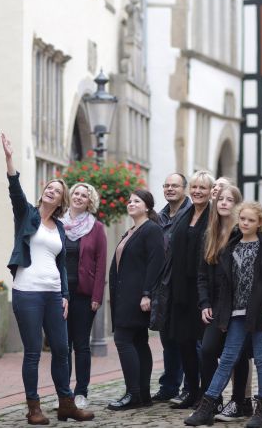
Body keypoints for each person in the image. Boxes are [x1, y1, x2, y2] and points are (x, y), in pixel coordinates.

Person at [0, 133, 93, 425]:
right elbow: (15, 190)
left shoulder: (59, 227)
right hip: (27, 292)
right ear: (43, 194)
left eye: (57, 190)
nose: (52, 191)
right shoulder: (27, 215)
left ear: (62, 200)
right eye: (49, 188)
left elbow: (60, 264)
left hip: (53, 294)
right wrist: (9, 158)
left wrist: (65, 295)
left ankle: (66, 404)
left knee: (62, 350)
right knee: (32, 353)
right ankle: (34, 408)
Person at [186, 202, 262, 428]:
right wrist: (223, 317)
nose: (246, 223)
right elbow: (225, 286)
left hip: (261, 314)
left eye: (251, 220)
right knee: (228, 358)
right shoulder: (231, 247)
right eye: (243, 219)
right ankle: (206, 408)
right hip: (236, 314)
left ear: (259, 223)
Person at [107, 189, 165, 410]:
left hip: (137, 296)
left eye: (137, 201)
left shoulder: (151, 229)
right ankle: (142, 395)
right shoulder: (132, 230)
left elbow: (156, 262)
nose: (131, 204)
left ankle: (133, 393)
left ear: (147, 206)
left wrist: (147, 293)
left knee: (123, 340)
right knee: (139, 341)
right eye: (129, 201)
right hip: (125, 295)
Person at [164, 171, 215, 409]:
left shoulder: (214, 216)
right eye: (194, 187)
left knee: (205, 347)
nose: (197, 191)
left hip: (204, 288)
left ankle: (209, 392)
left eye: (202, 188)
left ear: (211, 191)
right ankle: (191, 390)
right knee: (184, 342)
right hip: (181, 288)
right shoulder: (185, 214)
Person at [60, 182, 108, 410]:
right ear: (70, 196)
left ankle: (81, 392)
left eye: (84, 195)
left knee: (81, 345)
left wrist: (97, 296)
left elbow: (101, 264)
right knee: (62, 346)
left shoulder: (96, 227)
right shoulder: (57, 223)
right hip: (59, 294)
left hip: (83, 295)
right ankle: (64, 393)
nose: (79, 197)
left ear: (90, 201)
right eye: (76, 193)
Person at [152, 173, 189, 402]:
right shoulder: (159, 217)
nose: (170, 189)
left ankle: (191, 387)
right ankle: (170, 385)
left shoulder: (192, 214)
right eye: (166, 185)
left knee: (187, 339)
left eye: (175, 185)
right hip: (162, 287)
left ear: (184, 188)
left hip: (183, 285)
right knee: (168, 340)